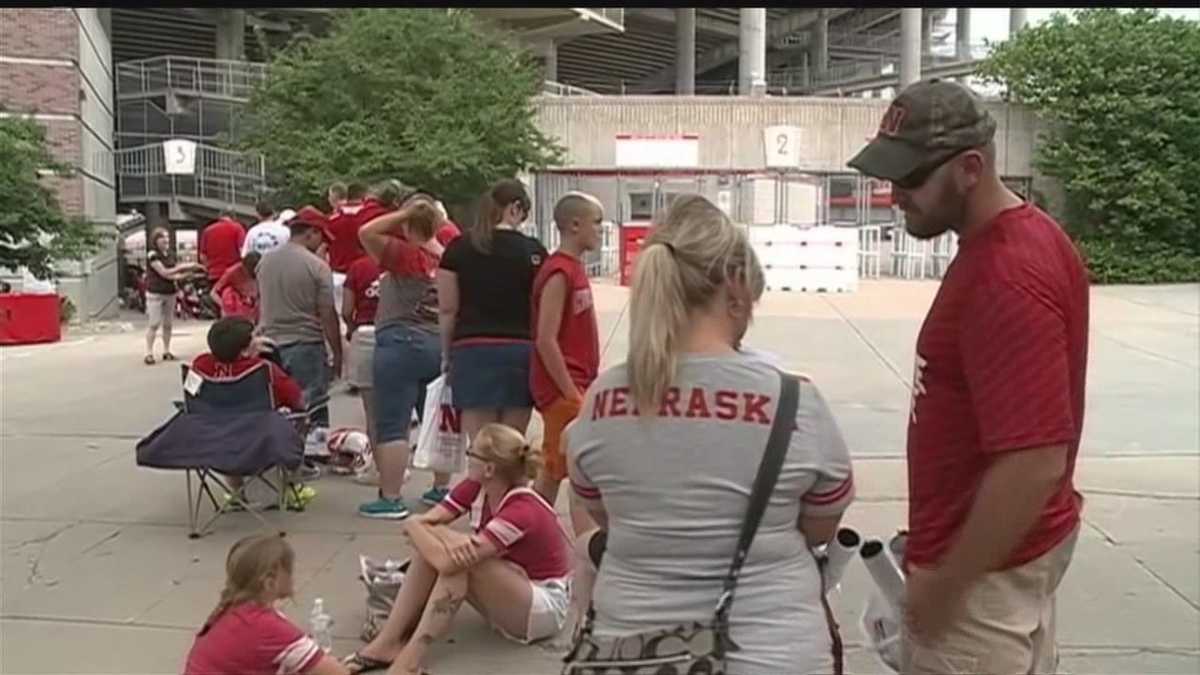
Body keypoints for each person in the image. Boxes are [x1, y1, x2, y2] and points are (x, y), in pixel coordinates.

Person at [847, 78, 1089, 674]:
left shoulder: (1005, 276)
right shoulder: (1018, 239)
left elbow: (1035, 461)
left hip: (981, 584)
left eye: (910, 179)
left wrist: (947, 585)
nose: (895, 194)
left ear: (970, 168)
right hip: (995, 557)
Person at [564, 195, 855, 675]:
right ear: (736, 290)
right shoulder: (794, 401)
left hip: (632, 651)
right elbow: (820, 527)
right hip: (773, 651)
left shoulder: (601, 401)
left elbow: (605, 516)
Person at [342, 424, 571, 675]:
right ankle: (388, 642)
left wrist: (416, 524)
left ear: (489, 468)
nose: (467, 457)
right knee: (435, 553)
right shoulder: (477, 487)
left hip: (543, 606)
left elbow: (436, 546)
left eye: (471, 453)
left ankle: (409, 658)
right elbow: (425, 530)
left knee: (461, 562)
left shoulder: (521, 510)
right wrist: (432, 532)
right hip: (513, 583)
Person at [436, 179, 547, 500]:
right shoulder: (534, 252)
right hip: (520, 349)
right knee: (514, 445)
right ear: (515, 208)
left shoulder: (458, 249)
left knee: (481, 445)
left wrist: (447, 354)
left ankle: (478, 511)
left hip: (472, 349)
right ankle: (514, 508)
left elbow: (447, 308)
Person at [356, 200, 445, 519]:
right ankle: (442, 489)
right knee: (435, 418)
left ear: (408, 226)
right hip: (437, 343)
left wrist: (407, 213)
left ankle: (391, 497)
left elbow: (366, 231)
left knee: (393, 423)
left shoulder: (406, 254)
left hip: (399, 341)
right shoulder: (446, 257)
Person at [529, 192, 603, 535]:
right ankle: (528, 532)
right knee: (561, 467)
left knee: (561, 466)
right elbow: (546, 337)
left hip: (577, 382)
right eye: (597, 223)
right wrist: (570, 391)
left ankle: (527, 532)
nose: (601, 231)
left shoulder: (573, 269)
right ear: (575, 225)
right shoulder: (559, 271)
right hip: (564, 386)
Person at [184, 534, 350, 675]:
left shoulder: (232, 609)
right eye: (289, 571)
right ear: (270, 583)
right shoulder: (267, 627)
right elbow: (338, 672)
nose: (293, 577)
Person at [257, 210, 343, 434]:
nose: (322, 243)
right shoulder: (317, 266)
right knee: (312, 405)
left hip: (268, 343)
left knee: (278, 403)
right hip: (305, 342)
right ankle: (313, 453)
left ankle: (282, 449)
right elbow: (327, 313)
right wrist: (337, 352)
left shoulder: (265, 262)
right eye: (321, 237)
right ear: (311, 233)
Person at [191, 316, 304, 413]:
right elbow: (297, 399)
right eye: (254, 337)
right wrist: (274, 357)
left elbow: (191, 395)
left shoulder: (200, 365)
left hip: (210, 425)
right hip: (254, 429)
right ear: (244, 351)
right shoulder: (262, 368)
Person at [342, 252, 382, 456]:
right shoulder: (410, 260)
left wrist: (351, 328)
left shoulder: (358, 267)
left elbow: (347, 310)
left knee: (372, 411)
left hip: (366, 332)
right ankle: (399, 462)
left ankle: (377, 464)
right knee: (399, 411)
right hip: (402, 334)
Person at [143, 227, 203, 365]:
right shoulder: (152, 254)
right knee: (154, 323)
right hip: (155, 292)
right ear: (155, 240)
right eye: (162, 237)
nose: (165, 240)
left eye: (167, 237)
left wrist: (187, 275)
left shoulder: (170, 254)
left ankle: (166, 350)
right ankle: (148, 352)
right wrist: (187, 266)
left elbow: (173, 276)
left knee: (168, 323)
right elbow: (164, 272)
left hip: (170, 292)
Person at [211, 251, 261, 322]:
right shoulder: (232, 272)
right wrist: (225, 306)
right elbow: (213, 293)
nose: (253, 274)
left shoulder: (262, 272)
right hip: (235, 310)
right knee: (228, 292)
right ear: (244, 266)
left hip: (254, 309)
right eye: (250, 271)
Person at [198, 211, 246, 283]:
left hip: (214, 275)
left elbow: (202, 256)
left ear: (219, 217)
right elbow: (242, 252)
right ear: (234, 218)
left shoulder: (207, 231)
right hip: (233, 275)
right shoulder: (238, 228)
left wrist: (209, 268)